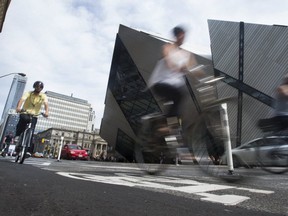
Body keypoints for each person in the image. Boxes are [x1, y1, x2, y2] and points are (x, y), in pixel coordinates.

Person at [147, 26, 202, 132]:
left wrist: (206, 77)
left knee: (181, 107)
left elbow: (195, 69)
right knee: (180, 95)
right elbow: (169, 61)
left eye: (183, 35)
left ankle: (170, 130)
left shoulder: (187, 54)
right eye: (180, 35)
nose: (182, 37)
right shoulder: (168, 47)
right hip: (159, 83)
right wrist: (176, 67)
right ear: (177, 35)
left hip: (174, 85)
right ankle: (166, 125)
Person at [15, 81, 49, 154]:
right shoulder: (29, 93)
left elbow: (46, 104)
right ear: (34, 87)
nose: (38, 88)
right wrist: (18, 107)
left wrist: (46, 112)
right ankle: (18, 135)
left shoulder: (43, 96)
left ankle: (27, 149)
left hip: (35, 115)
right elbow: (22, 100)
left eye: (40, 87)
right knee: (23, 120)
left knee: (31, 130)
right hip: (25, 112)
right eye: (37, 87)